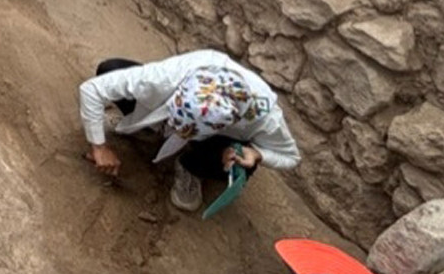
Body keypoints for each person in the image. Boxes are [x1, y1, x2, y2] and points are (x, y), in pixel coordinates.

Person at [77, 50, 301, 213]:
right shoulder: (169, 76)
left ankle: (190, 168)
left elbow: (290, 157)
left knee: (242, 161)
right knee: (111, 68)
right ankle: (148, 126)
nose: (176, 130)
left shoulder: (266, 119)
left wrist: (258, 153)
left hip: (216, 142)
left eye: (181, 130)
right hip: (165, 102)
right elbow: (91, 90)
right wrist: (99, 146)